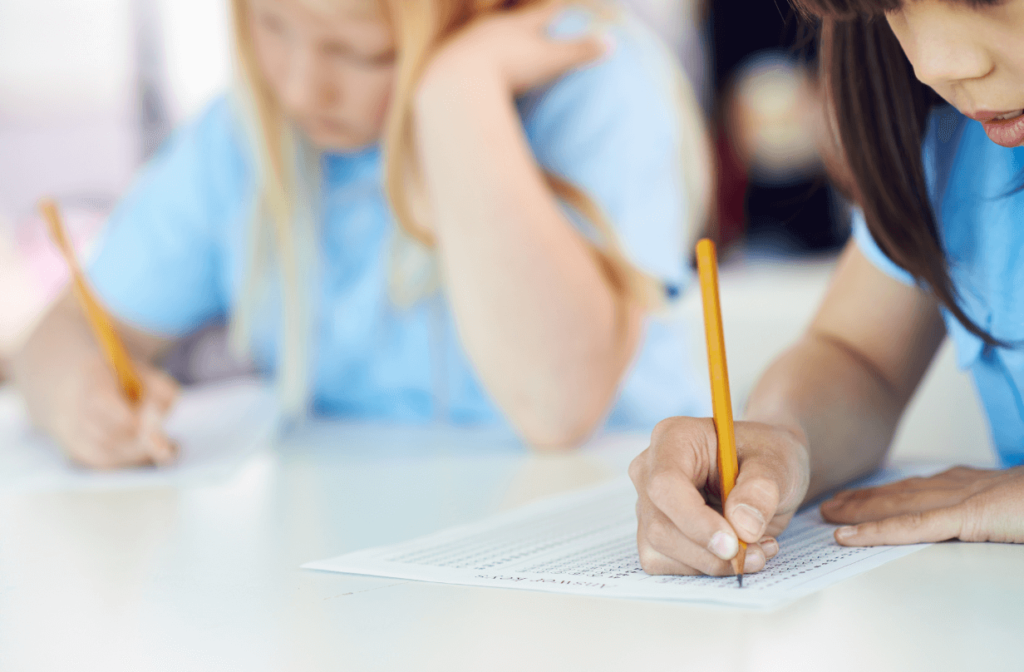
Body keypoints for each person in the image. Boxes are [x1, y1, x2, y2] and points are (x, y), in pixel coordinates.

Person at [13, 0, 712, 469]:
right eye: (272, 24)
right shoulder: (247, 139)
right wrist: (76, 391)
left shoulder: (590, 82)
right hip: (355, 567)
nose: (302, 90)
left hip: (600, 542)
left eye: (362, 54)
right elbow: (68, 328)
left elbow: (558, 409)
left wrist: (458, 94)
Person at [629, 0, 1024, 577]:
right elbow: (858, 357)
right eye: (894, 8)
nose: (936, 64)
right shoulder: (959, 146)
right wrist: (780, 440)